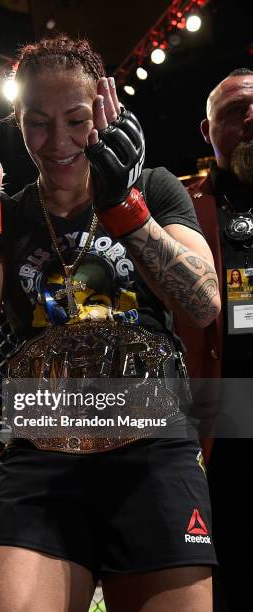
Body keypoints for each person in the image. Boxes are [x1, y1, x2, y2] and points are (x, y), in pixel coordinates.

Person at [0, 35, 221, 612]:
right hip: (43, 448)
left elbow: (205, 301)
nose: (59, 142)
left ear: (103, 114)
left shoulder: (155, 188)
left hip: (153, 444)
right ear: (17, 124)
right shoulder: (8, 213)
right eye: (37, 123)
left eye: (76, 120)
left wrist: (125, 209)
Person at [176, 68, 253, 611]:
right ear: (208, 132)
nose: (250, 121)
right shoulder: (182, 207)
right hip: (222, 413)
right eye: (234, 113)